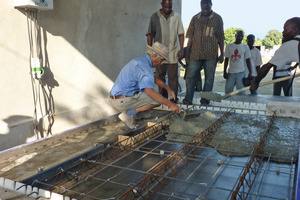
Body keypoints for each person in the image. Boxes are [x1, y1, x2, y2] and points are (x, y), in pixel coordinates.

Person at [109, 42, 181, 129]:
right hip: (121, 100)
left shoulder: (142, 61)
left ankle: (139, 113)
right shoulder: (144, 67)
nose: (161, 63)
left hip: (119, 97)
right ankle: (128, 114)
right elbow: (150, 92)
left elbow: (153, 78)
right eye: (161, 60)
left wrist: (167, 88)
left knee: (150, 91)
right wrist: (171, 104)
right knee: (157, 99)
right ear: (154, 55)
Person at [182, 0, 224, 106]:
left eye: (207, 8)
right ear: (200, 6)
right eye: (203, 8)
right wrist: (187, 54)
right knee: (190, 77)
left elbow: (221, 38)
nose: (205, 11)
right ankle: (188, 100)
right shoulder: (195, 18)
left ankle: (205, 100)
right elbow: (190, 37)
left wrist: (222, 53)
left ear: (211, 6)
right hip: (195, 54)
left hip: (211, 55)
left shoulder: (217, 19)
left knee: (209, 78)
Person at [146, 0, 185, 103]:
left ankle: (173, 100)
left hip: (173, 53)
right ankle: (163, 100)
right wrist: (150, 50)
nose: (168, 9)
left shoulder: (176, 16)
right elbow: (149, 34)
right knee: (160, 77)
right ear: (162, 5)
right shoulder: (155, 17)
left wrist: (181, 49)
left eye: (170, 7)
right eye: (166, 7)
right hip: (159, 55)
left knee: (173, 78)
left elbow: (181, 34)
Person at [250, 17, 300, 92]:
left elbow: (266, 67)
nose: (283, 33)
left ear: (296, 30)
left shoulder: (290, 45)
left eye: (285, 29)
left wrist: (255, 82)